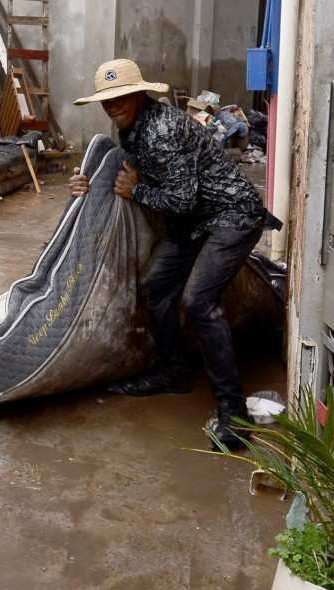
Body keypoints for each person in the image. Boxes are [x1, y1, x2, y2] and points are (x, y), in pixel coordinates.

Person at [69, 58, 278, 449]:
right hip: (195, 221)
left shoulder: (161, 131)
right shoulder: (132, 129)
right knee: (156, 285)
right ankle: (174, 369)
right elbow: (128, 172)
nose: (113, 106)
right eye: (107, 100)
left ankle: (233, 413)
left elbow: (180, 199)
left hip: (231, 214)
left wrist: (136, 192)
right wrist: (87, 184)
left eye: (121, 97)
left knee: (198, 300)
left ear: (138, 94)